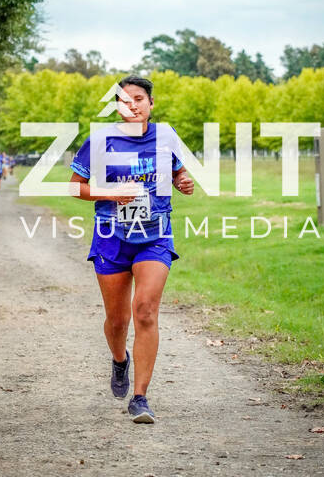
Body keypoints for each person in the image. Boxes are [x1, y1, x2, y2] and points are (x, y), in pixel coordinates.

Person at [69, 75, 194, 423]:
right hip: (111, 236)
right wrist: (110, 193)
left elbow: (180, 174)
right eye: (125, 100)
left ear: (151, 103)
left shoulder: (166, 137)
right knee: (117, 320)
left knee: (145, 311)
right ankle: (119, 359)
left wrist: (183, 182)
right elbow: (75, 187)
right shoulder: (100, 139)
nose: (133, 105)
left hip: (155, 236)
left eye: (139, 99)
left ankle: (140, 398)